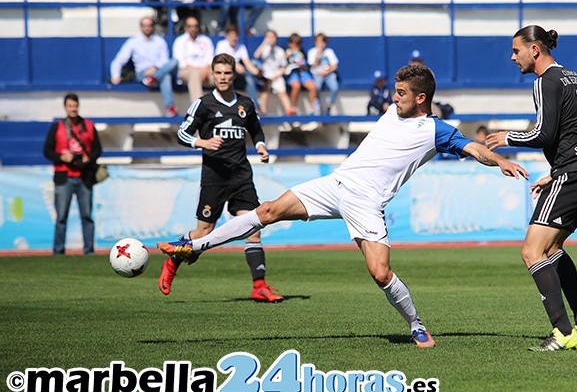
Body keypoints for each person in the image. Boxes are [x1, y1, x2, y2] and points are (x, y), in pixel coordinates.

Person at [158, 64, 529, 347]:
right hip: (336, 183)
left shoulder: (435, 130)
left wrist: (501, 161)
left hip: (367, 203)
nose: (393, 98)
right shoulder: (392, 112)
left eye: (401, 93)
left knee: (381, 273)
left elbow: (475, 148)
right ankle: (192, 246)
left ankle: (417, 326)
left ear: (420, 98)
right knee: (267, 211)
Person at [486, 25, 577, 352]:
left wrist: (507, 137)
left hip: (574, 173)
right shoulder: (575, 77)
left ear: (535, 50)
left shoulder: (545, 81)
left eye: (516, 51)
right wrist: (555, 174)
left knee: (531, 251)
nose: (513, 58)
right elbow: (576, 134)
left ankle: (562, 331)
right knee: (551, 249)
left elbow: (544, 133)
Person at [158, 53, 283, 302]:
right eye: (219, 73)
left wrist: (260, 146)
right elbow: (182, 133)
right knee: (204, 232)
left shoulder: (245, 104)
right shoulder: (203, 104)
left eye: (227, 73)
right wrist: (202, 141)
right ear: (212, 75)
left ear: (233, 75)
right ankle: (173, 262)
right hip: (214, 177)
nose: (223, 77)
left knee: (253, 228)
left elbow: (256, 130)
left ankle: (259, 286)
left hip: (241, 176)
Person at [43, 93, 102, 256]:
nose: (73, 109)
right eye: (70, 106)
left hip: (84, 177)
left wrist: (87, 158)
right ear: (65, 107)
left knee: (86, 216)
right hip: (63, 176)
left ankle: (89, 251)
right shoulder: (57, 127)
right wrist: (62, 157)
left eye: (75, 106)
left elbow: (98, 149)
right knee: (61, 216)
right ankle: (58, 251)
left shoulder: (89, 125)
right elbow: (47, 150)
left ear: (78, 106)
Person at [110, 16, 180, 117]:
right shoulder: (133, 42)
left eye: (150, 25)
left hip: (157, 71)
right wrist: (115, 75)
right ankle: (170, 107)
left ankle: (154, 78)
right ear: (141, 27)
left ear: (153, 26)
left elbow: (164, 60)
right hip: (143, 74)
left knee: (174, 62)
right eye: (145, 25)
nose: (147, 28)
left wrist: (155, 68)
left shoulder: (160, 41)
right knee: (166, 76)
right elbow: (119, 60)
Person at [214, 24, 260, 105]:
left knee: (250, 78)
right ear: (227, 36)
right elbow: (222, 61)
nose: (234, 38)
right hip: (223, 73)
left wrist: (256, 72)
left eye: (236, 36)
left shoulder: (241, 47)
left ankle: (254, 106)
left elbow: (247, 62)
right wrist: (235, 65)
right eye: (232, 36)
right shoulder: (221, 45)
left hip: (238, 73)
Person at [172, 16, 215, 102]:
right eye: (190, 26)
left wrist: (204, 71)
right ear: (185, 27)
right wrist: (199, 71)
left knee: (222, 76)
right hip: (185, 72)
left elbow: (210, 59)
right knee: (194, 75)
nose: (193, 29)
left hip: (206, 71)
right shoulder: (180, 41)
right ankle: (198, 109)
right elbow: (181, 63)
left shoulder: (206, 40)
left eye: (195, 26)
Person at [253, 29, 294, 115]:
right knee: (265, 90)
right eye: (268, 36)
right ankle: (262, 111)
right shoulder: (264, 49)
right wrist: (265, 43)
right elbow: (256, 55)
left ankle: (289, 110)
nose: (270, 39)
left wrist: (277, 75)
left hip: (277, 75)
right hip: (266, 75)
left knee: (282, 92)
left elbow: (283, 67)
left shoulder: (280, 51)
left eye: (272, 37)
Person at [285, 33, 320, 115]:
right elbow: (281, 62)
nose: (297, 46)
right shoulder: (286, 50)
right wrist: (290, 53)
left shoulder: (302, 52)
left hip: (302, 72)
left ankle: (312, 108)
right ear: (290, 43)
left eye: (298, 44)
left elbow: (306, 66)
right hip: (291, 72)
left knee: (313, 86)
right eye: (295, 43)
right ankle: (294, 108)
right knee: (296, 86)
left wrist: (302, 64)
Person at [307, 33, 339, 114]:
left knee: (335, 87)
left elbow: (335, 66)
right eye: (318, 42)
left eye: (322, 42)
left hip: (328, 75)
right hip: (317, 75)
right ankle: (318, 107)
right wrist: (318, 55)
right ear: (315, 42)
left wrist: (326, 72)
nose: (320, 44)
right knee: (316, 87)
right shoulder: (312, 52)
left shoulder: (329, 51)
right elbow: (313, 65)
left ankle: (329, 106)